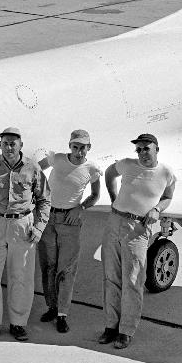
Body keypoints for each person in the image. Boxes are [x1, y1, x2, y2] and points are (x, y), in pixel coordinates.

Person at [0, 127, 51, 342]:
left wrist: (39, 228)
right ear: (0, 145)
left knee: (22, 277)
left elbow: (44, 200)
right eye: (5, 143)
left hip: (22, 226)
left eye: (13, 143)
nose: (9, 147)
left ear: (21, 146)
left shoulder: (32, 168)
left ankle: (18, 324)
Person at [99, 133, 176, 350]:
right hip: (114, 223)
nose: (142, 153)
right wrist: (113, 197)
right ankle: (110, 327)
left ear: (156, 149)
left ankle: (126, 331)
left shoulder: (166, 173)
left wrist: (157, 209)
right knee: (110, 277)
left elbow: (168, 196)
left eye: (146, 149)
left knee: (133, 280)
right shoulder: (126, 164)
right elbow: (109, 173)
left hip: (138, 230)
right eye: (139, 149)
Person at [37, 129, 102, 334]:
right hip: (48, 218)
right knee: (48, 265)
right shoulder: (56, 159)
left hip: (70, 221)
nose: (79, 151)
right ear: (70, 146)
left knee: (66, 269)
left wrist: (80, 208)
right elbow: (35, 171)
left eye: (83, 147)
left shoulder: (91, 169)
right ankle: (52, 307)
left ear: (88, 148)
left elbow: (95, 195)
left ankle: (62, 314)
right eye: (75, 147)